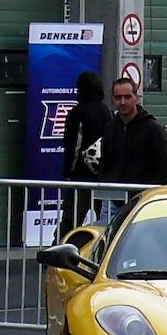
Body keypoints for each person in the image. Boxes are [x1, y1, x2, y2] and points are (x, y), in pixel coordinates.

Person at [57, 70, 112, 237]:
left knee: (70, 220)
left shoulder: (77, 112)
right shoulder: (106, 111)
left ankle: (57, 251)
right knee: (105, 221)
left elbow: (74, 145)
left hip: (80, 176)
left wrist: (68, 172)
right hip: (102, 176)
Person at [100, 75, 167, 192]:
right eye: (118, 97)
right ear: (112, 99)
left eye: (127, 97)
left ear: (136, 98)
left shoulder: (153, 129)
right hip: (113, 200)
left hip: (142, 200)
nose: (123, 102)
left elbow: (164, 170)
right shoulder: (109, 128)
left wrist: (147, 193)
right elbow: (105, 164)